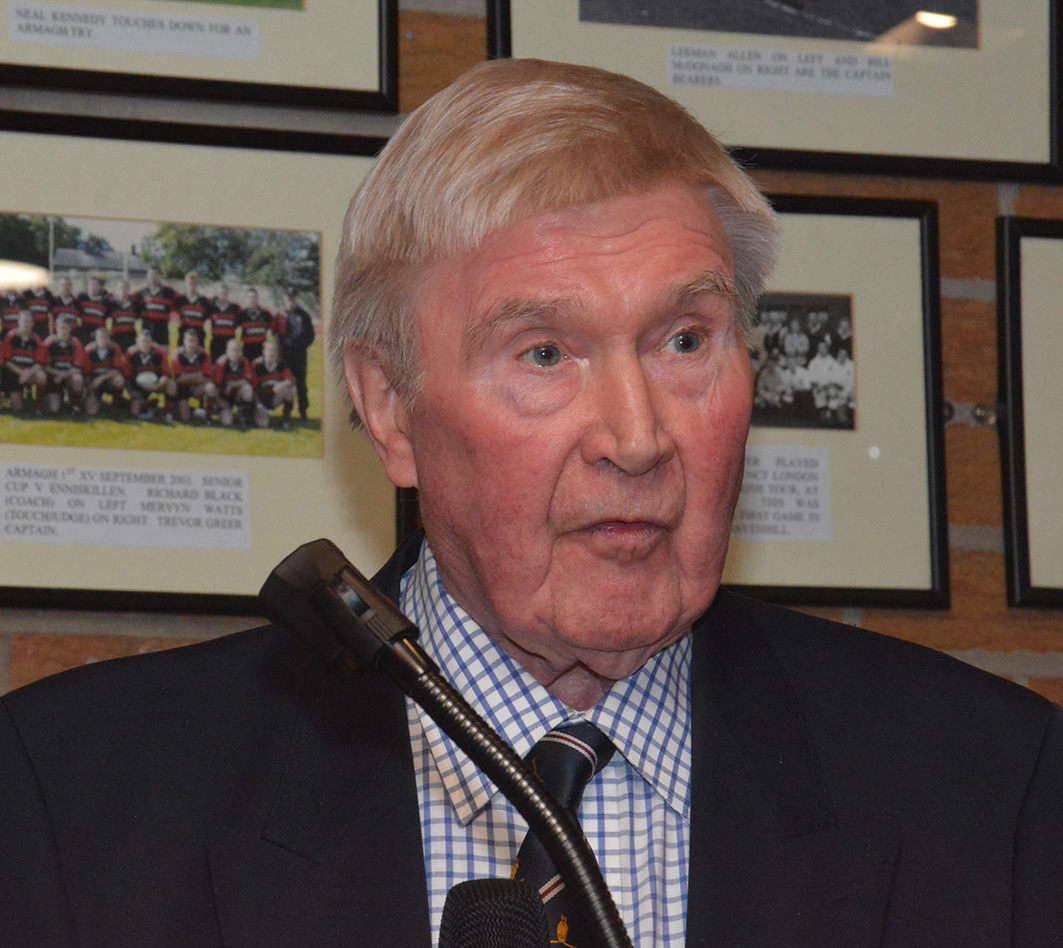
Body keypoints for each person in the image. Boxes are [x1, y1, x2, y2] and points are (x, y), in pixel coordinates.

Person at [0, 59, 1060, 948]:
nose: (636, 437)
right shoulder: (69, 799)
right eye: (545, 353)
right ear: (389, 407)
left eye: (683, 341)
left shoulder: (999, 791)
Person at [273, 290, 315, 419]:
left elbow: (310, 335)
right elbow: (275, 334)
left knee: (301, 384)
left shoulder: (304, 315)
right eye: (288, 300)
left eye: (293, 299)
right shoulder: (280, 316)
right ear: (285, 301)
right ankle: (287, 410)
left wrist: (302, 345)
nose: (290, 302)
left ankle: (303, 410)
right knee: (287, 382)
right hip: (285, 355)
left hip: (300, 355)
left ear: (296, 300)